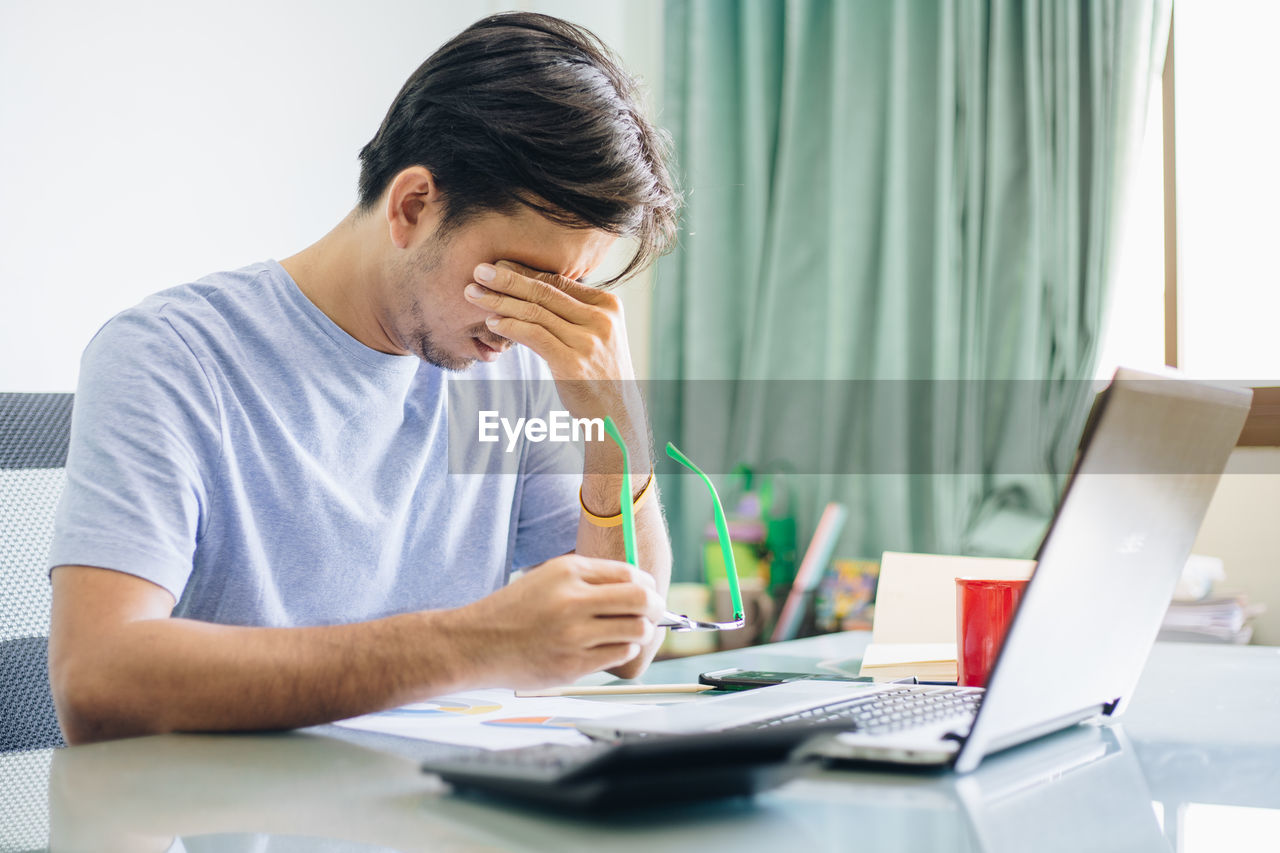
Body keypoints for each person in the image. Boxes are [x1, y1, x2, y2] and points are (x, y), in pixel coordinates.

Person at [47, 12, 679, 745]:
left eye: (564, 291)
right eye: (520, 278)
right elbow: (97, 679)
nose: (522, 325)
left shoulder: (511, 375)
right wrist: (475, 642)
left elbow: (631, 646)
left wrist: (615, 426)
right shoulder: (172, 356)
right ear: (413, 206)